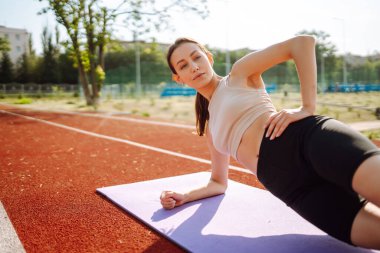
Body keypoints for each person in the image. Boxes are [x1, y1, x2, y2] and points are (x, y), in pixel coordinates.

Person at [160, 35, 380, 249]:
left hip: (305, 143)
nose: (194, 66)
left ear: (208, 57)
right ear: (178, 78)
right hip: (294, 189)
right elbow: (218, 183)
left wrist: (307, 107)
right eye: (183, 65)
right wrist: (185, 196)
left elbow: (301, 43)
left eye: (196, 57)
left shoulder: (239, 74)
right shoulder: (211, 128)